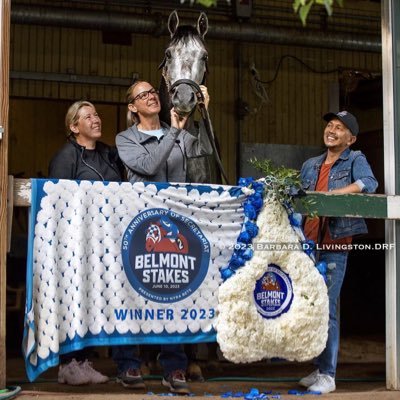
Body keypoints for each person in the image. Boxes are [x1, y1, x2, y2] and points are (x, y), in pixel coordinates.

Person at [114, 80, 213, 394]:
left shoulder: (181, 134)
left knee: (173, 292)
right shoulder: (125, 138)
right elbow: (148, 165)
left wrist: (205, 114)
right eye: (142, 95)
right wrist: (173, 131)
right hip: (140, 223)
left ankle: (174, 368)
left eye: (152, 92)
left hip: (173, 224)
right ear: (132, 107)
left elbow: (207, 150)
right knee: (133, 295)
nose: (150, 96)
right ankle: (128, 362)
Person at [299, 111, 378, 394]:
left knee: (327, 308)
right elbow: (299, 199)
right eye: (330, 125)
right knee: (310, 307)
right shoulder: (310, 164)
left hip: (334, 244)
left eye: (339, 128)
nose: (331, 130)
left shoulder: (355, 159)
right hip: (308, 244)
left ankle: (328, 375)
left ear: (351, 138)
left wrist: (333, 196)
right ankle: (320, 367)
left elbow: (369, 183)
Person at [49, 100, 123, 385]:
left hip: (106, 244)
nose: (96, 119)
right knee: (74, 302)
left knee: (95, 303)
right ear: (73, 126)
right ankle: (68, 364)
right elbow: (56, 202)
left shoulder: (108, 155)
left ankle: (85, 362)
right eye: (87, 116)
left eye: (97, 114)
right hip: (76, 243)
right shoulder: (66, 156)